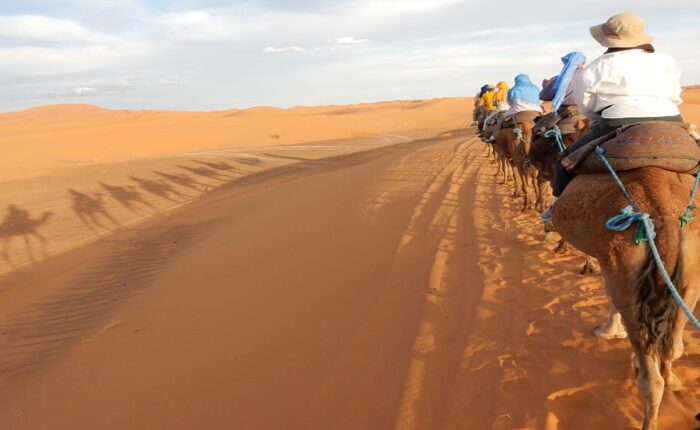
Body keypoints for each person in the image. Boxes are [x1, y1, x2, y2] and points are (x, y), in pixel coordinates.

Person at [541, 13, 683, 222]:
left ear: (608, 38)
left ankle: (557, 209)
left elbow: (586, 106)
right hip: (669, 119)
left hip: (616, 121)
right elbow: (675, 95)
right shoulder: (665, 60)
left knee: (565, 161)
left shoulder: (599, 65)